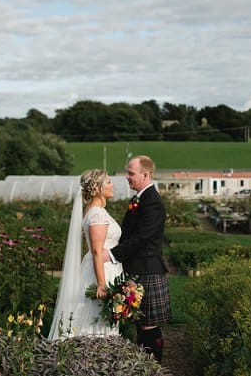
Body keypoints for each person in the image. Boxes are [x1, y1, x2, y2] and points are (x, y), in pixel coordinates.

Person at [108, 155, 171, 362]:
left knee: (148, 324)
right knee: (140, 324)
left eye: (131, 173)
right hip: (139, 267)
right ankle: (145, 368)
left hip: (147, 269)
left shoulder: (152, 202)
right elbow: (129, 234)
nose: (127, 177)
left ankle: (154, 368)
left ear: (145, 175)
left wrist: (111, 255)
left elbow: (142, 238)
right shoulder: (139, 199)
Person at [48, 169, 124, 339]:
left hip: (104, 268)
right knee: (96, 320)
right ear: (97, 189)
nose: (112, 185)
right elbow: (97, 251)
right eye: (109, 182)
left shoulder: (94, 211)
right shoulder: (97, 214)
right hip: (101, 271)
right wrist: (102, 284)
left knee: (100, 320)